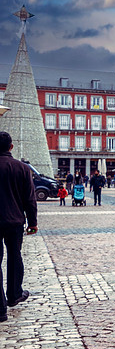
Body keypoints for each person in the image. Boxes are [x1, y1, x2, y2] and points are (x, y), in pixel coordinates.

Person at [0, 132, 38, 323]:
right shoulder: (22, 168)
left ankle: (0, 309)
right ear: (11, 147)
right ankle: (14, 294)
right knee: (15, 256)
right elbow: (30, 199)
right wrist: (33, 223)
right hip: (15, 221)